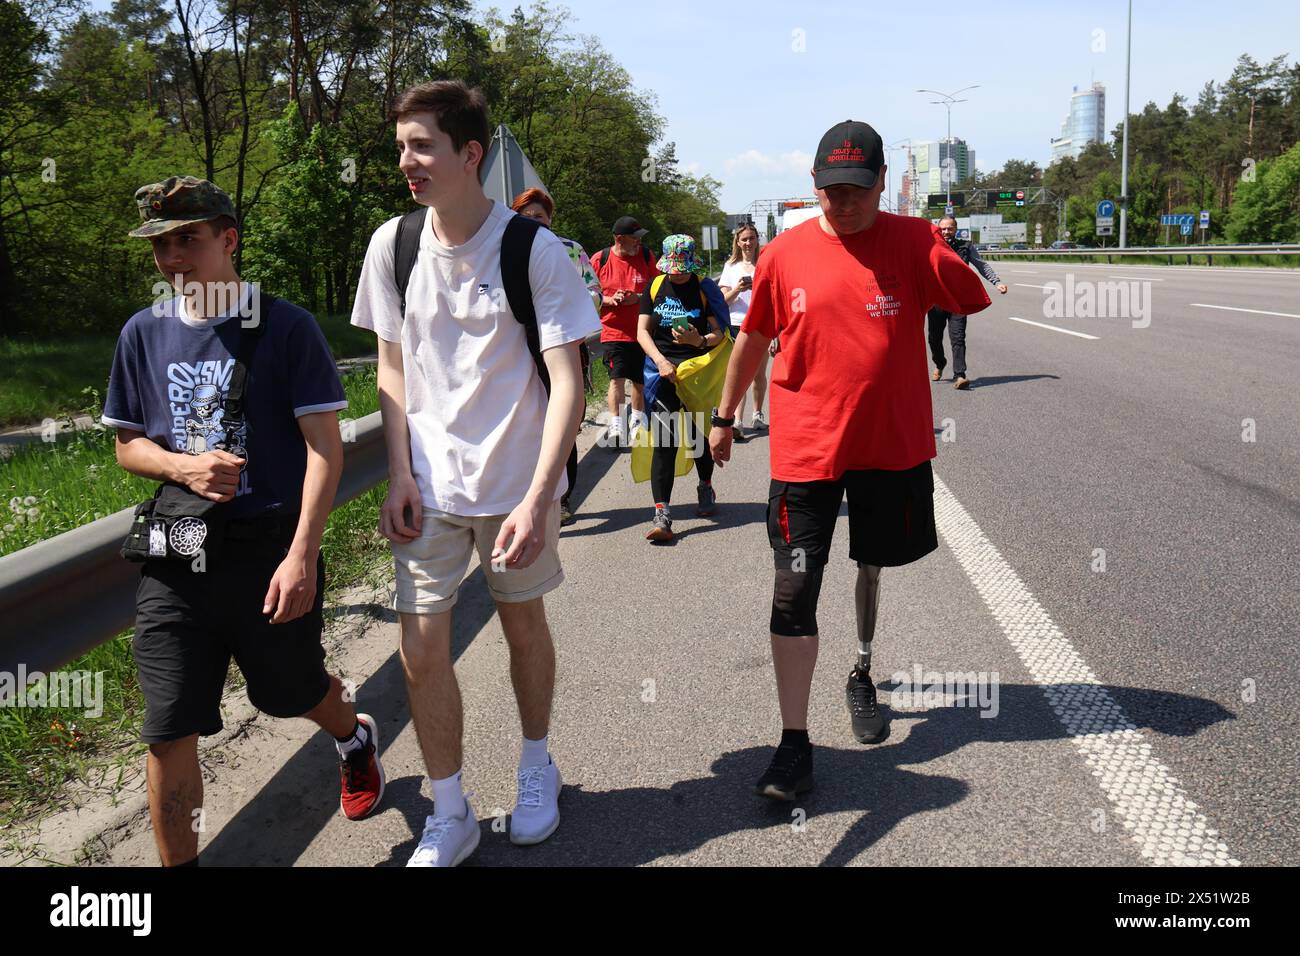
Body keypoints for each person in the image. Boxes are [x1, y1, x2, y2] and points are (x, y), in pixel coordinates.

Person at [102, 176, 384, 866]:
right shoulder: (143, 331)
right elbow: (126, 442)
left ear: (228, 239)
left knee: (289, 692)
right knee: (168, 728)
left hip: (267, 544)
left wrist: (302, 556)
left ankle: (351, 735)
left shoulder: (285, 327)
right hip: (178, 543)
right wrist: (181, 468)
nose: (173, 259)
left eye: (187, 240)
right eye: (161, 246)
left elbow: (325, 448)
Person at [351, 80, 597, 866]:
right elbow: (391, 369)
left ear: (470, 154)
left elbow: (568, 381)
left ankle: (535, 767)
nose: (407, 162)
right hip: (428, 484)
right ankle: (450, 810)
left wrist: (537, 496)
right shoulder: (391, 245)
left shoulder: (534, 251)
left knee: (524, 625)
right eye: (400, 148)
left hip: (515, 487)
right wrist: (398, 473)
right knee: (421, 649)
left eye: (422, 146)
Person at [709, 120, 992, 801]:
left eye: (858, 190)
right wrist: (723, 418)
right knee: (794, 587)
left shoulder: (912, 239)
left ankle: (861, 670)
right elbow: (753, 339)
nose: (844, 202)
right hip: (806, 451)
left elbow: (972, 298)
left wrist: (940, 244)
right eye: (832, 190)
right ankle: (793, 744)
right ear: (814, 186)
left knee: (872, 563)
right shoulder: (784, 253)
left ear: (883, 183)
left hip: (887, 452)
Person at [512, 187, 602, 526]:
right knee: (525, 424)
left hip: (563, 347)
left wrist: (563, 306)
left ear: (550, 219)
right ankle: (526, 497)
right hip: (516, 351)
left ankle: (562, 498)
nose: (534, 221)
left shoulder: (569, 250)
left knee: (563, 423)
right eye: (526, 215)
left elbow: (594, 294)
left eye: (540, 216)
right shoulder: (500, 250)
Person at [636, 235, 728, 543]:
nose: (677, 274)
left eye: (682, 269)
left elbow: (719, 333)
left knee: (694, 436)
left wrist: (698, 341)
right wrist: (661, 361)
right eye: (673, 268)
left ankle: (705, 484)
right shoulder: (654, 286)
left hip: (695, 373)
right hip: (661, 373)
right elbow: (642, 332)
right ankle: (662, 515)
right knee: (665, 441)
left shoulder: (703, 288)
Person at [591, 216, 659, 446]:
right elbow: (586, 294)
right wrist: (610, 300)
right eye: (634, 239)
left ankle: (637, 423)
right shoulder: (600, 260)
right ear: (619, 239)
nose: (638, 243)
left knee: (639, 381)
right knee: (616, 378)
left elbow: (660, 291)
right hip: (613, 330)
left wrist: (637, 298)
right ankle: (616, 425)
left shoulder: (647, 257)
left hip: (643, 331)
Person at [928, 216, 1008, 389]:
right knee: (934, 339)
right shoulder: (931, 245)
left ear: (955, 229)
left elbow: (981, 265)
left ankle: (960, 375)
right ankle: (940, 363)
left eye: (949, 228)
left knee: (958, 338)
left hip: (959, 301)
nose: (946, 232)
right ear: (938, 229)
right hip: (937, 301)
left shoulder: (965, 246)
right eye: (942, 229)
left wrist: (997, 282)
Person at [718, 222, 765, 442]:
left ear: (757, 240)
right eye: (744, 239)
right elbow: (723, 301)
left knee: (758, 374)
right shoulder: (730, 266)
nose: (748, 243)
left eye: (751, 238)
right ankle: (737, 421)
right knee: (740, 374)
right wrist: (738, 289)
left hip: (761, 325)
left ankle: (757, 414)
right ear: (738, 242)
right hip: (736, 325)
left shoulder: (765, 263)